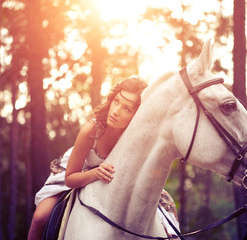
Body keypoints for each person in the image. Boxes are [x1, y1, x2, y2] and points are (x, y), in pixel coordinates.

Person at [27, 77, 179, 240]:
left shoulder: (136, 138)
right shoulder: (92, 130)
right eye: (116, 101)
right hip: (78, 169)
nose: (116, 111)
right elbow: (70, 178)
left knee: (167, 211)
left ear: (136, 116)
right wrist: (95, 173)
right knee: (40, 217)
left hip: (112, 177)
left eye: (127, 109)